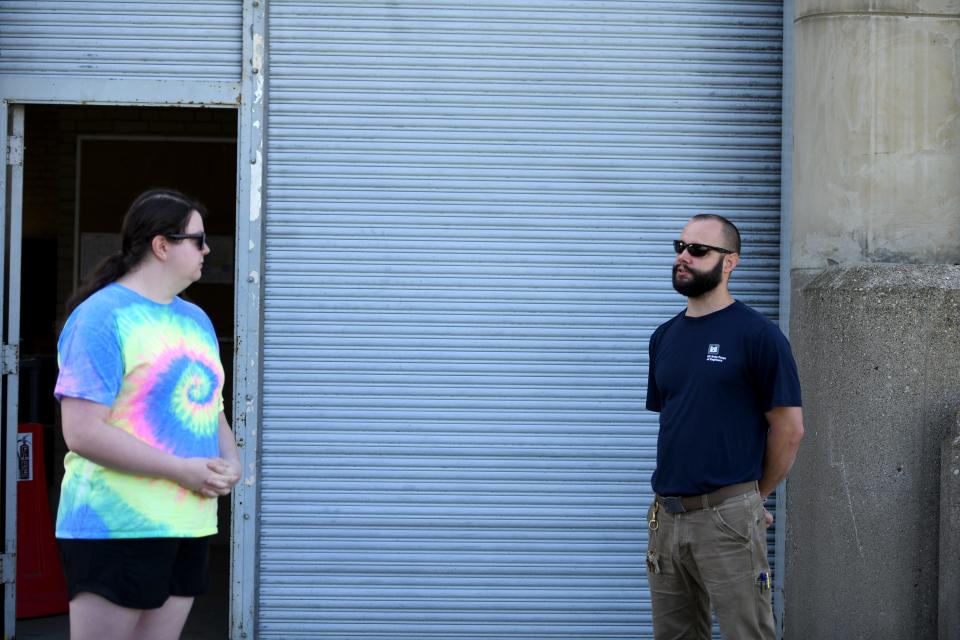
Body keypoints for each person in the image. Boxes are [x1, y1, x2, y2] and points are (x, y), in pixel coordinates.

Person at [53, 188, 241, 640]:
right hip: (116, 526)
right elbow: (81, 432)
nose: (207, 250)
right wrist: (181, 470)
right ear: (162, 245)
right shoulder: (100, 318)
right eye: (198, 239)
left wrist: (232, 462)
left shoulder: (196, 319)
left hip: (189, 523)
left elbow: (210, 409)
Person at [644, 214, 804, 639]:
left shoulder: (758, 336)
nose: (683, 257)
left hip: (727, 518)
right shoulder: (664, 337)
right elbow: (681, 423)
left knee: (746, 632)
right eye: (679, 246)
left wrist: (754, 498)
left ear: (729, 262)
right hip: (667, 515)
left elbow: (789, 430)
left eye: (698, 250)